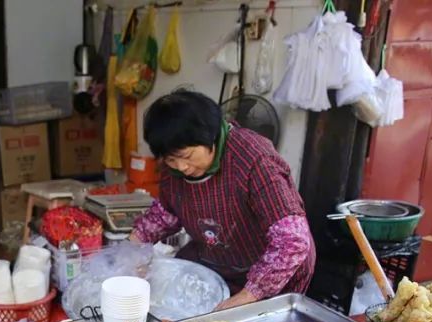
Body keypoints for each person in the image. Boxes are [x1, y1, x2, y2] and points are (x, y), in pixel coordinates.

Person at [130, 90, 315, 309]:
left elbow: (292, 241)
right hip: (219, 262)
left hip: (272, 271)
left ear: (209, 137)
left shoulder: (255, 160)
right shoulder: (175, 173)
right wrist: (133, 247)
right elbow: (165, 214)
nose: (181, 167)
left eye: (187, 156)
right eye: (171, 159)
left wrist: (247, 296)